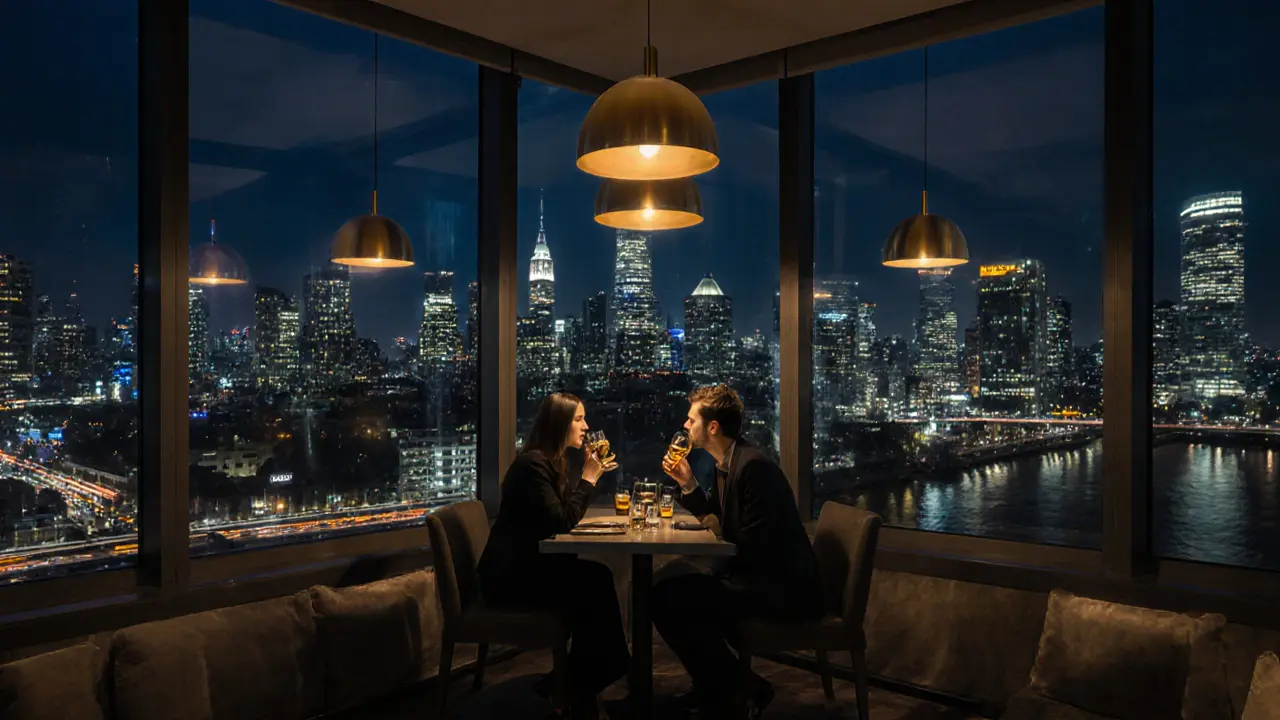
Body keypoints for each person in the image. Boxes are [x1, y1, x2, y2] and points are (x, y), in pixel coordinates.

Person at [654, 384, 823, 719]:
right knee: (669, 589)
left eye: (691, 420)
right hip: (757, 577)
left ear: (712, 427)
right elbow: (719, 522)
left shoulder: (753, 467)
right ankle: (722, 689)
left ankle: (739, 689)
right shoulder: (728, 463)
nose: (685, 426)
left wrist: (709, 567)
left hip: (782, 589)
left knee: (668, 597)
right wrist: (687, 484)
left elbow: (751, 546)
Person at [477, 392, 629, 720]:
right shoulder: (533, 464)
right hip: (510, 579)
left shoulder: (550, 462)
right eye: (578, 419)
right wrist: (588, 478)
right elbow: (561, 521)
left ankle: (578, 682)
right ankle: (588, 677)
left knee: (594, 579)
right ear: (559, 424)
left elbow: (559, 517)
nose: (586, 427)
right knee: (594, 581)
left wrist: (588, 476)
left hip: (529, 567)